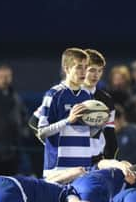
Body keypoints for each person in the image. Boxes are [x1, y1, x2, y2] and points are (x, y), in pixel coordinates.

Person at [32, 48, 93, 177]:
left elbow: (89, 133)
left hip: (83, 167)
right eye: (78, 67)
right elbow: (42, 132)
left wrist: (99, 124)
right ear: (66, 69)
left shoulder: (88, 95)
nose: (84, 72)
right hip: (58, 169)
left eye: (86, 67)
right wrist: (67, 121)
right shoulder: (54, 94)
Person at [82, 49, 117, 162]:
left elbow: (110, 135)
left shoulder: (106, 99)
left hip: (96, 160)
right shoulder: (66, 95)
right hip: (70, 160)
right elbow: (36, 123)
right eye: (92, 70)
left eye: (100, 71)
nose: (96, 75)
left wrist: (111, 161)